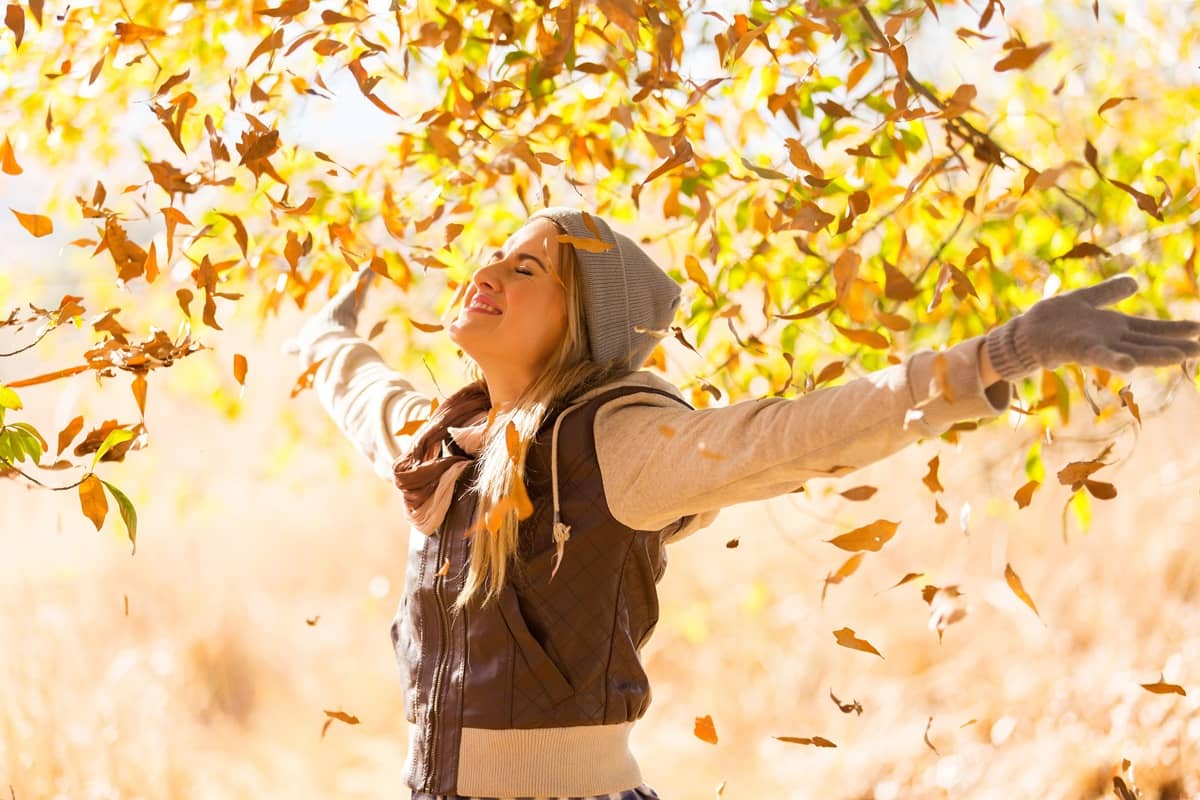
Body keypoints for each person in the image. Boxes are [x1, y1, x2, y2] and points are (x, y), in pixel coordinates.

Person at [290, 207, 1200, 800]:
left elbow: (793, 433)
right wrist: (326, 335)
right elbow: (360, 389)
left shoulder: (616, 443)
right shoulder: (442, 441)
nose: (490, 269)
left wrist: (996, 356)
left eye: (529, 269)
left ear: (582, 326)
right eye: (499, 252)